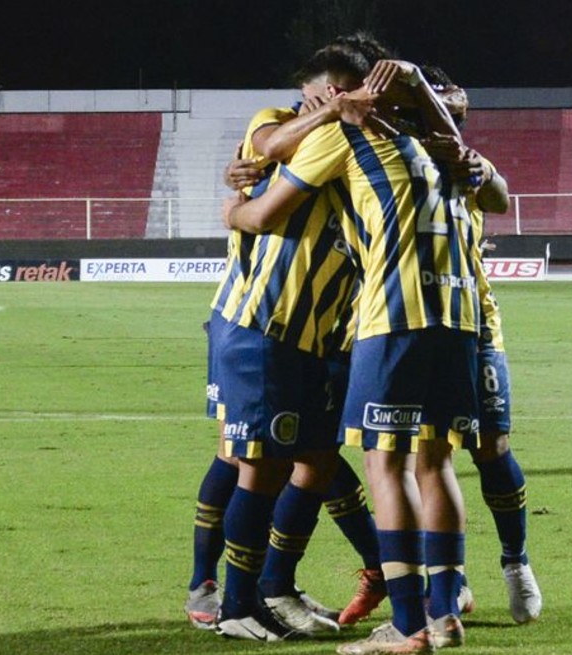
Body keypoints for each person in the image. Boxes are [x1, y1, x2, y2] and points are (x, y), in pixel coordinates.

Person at [226, 55, 479, 655]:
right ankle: (444, 611)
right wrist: (415, 86)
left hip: (392, 317)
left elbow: (264, 205)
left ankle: (408, 625)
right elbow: (494, 190)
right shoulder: (446, 149)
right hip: (460, 319)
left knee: (383, 466)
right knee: (435, 463)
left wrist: (233, 204)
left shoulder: (344, 136)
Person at [190, 41, 388, 642]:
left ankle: (274, 587)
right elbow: (269, 150)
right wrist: (236, 207)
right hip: (263, 322)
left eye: (318, 95)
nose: (306, 104)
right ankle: (229, 600)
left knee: (316, 458)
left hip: (320, 335)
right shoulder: (281, 123)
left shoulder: (359, 141)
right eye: (308, 96)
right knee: (252, 461)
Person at [416, 63, 544, 626]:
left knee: (492, 446)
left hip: (476, 321)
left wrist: (476, 165)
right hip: (416, 324)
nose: (451, 126)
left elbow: (500, 196)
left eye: (457, 118)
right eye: (441, 115)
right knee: (429, 456)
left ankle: (516, 562)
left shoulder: (466, 161)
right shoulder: (393, 161)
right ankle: (451, 581)